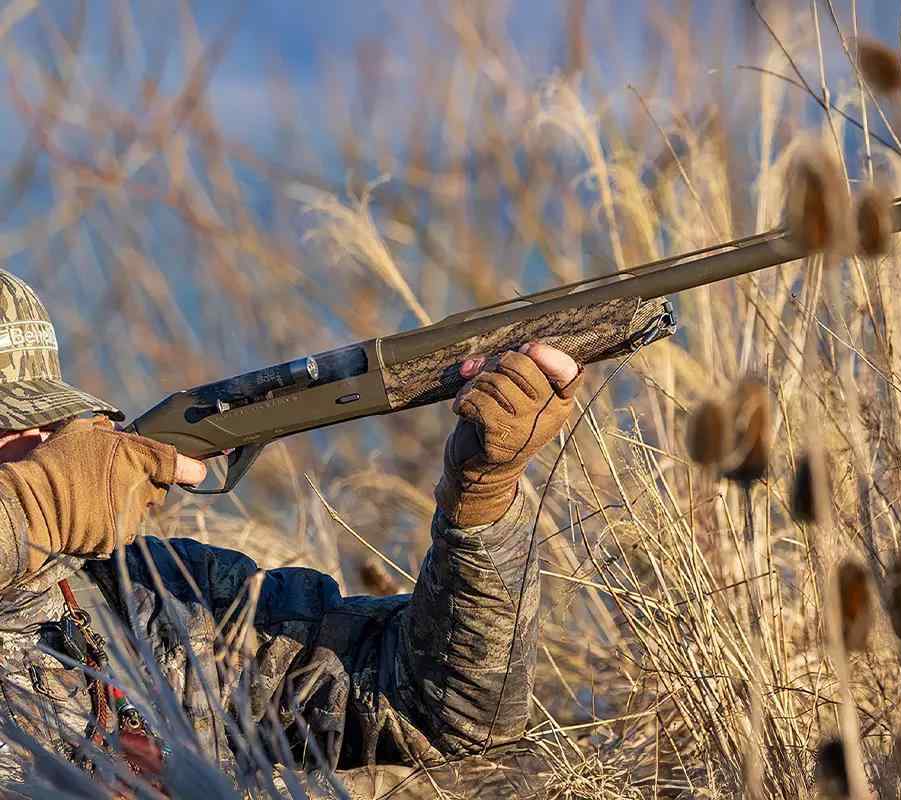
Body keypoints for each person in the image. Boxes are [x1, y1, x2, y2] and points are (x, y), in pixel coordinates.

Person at [0, 270, 580, 790]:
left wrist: (479, 497)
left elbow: (443, 718)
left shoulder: (160, 595)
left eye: (47, 420)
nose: (39, 445)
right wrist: (34, 505)